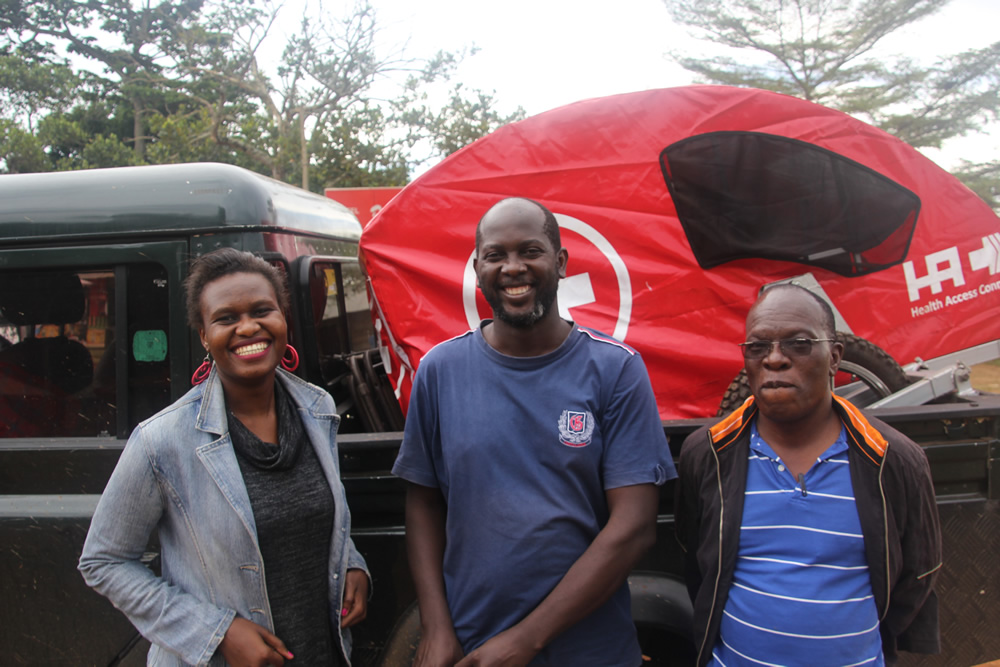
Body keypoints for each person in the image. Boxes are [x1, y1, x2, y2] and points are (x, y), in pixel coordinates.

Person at [392, 197, 676, 666]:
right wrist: (437, 627)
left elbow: (635, 526)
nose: (513, 268)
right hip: (473, 647)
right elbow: (423, 502)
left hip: (592, 651)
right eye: (496, 255)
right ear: (477, 266)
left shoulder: (615, 370)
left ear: (560, 262)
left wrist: (528, 639)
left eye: (530, 251)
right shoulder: (440, 370)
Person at [79, 248, 369, 666]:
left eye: (262, 311)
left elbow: (319, 511)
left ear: (283, 318)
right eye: (226, 318)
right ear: (203, 335)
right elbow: (103, 561)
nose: (248, 327)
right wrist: (216, 633)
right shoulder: (162, 440)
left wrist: (352, 563)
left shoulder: (317, 409)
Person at [675, 284, 942, 666]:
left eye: (798, 343)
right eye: (757, 347)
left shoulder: (893, 459)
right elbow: (698, 563)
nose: (775, 359)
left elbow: (916, 576)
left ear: (834, 357)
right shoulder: (708, 453)